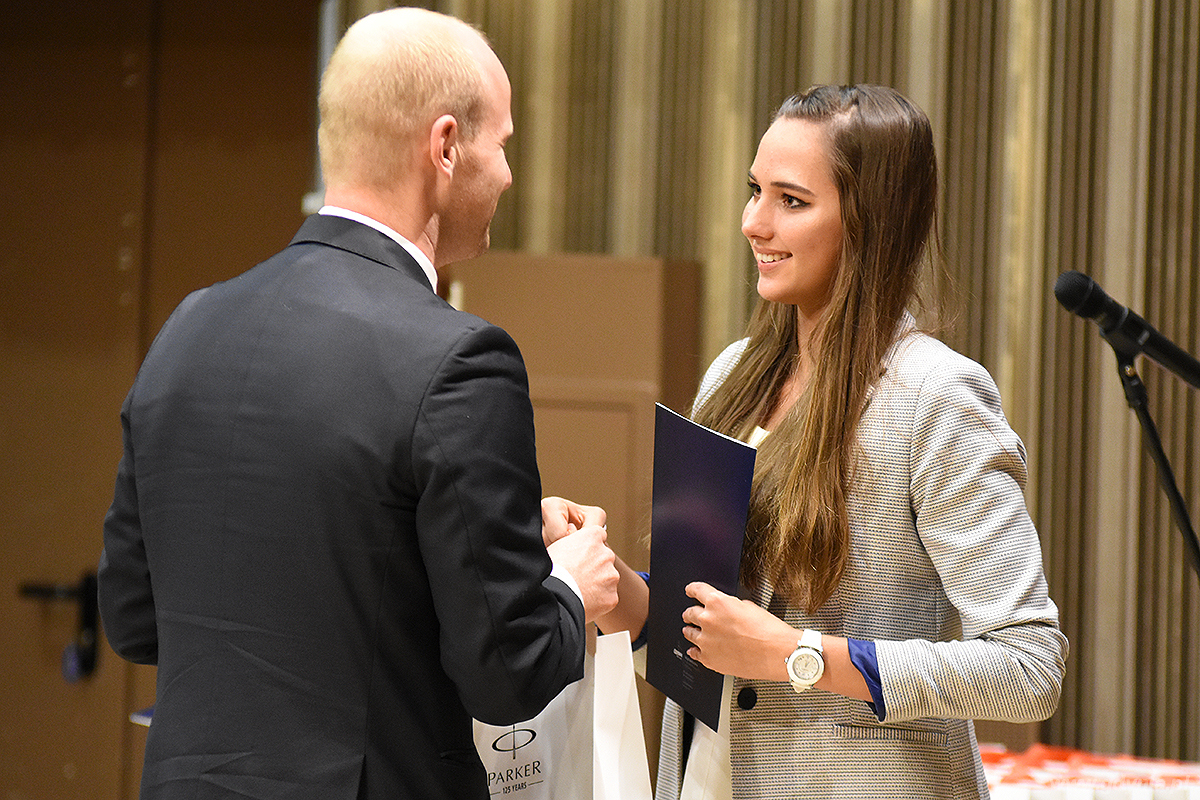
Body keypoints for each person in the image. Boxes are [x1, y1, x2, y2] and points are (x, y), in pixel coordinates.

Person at [97, 8, 619, 800]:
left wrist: (485, 536)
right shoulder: (459, 360)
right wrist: (568, 588)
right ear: (445, 147)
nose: (509, 174)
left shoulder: (188, 326)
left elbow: (136, 617)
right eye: (503, 144)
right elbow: (507, 674)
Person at [550, 84, 1068, 799]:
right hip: (706, 776)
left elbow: (1029, 668)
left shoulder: (938, 397)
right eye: (754, 191)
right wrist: (605, 585)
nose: (754, 223)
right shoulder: (732, 375)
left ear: (869, 223)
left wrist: (801, 655)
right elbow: (698, 630)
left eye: (791, 201)